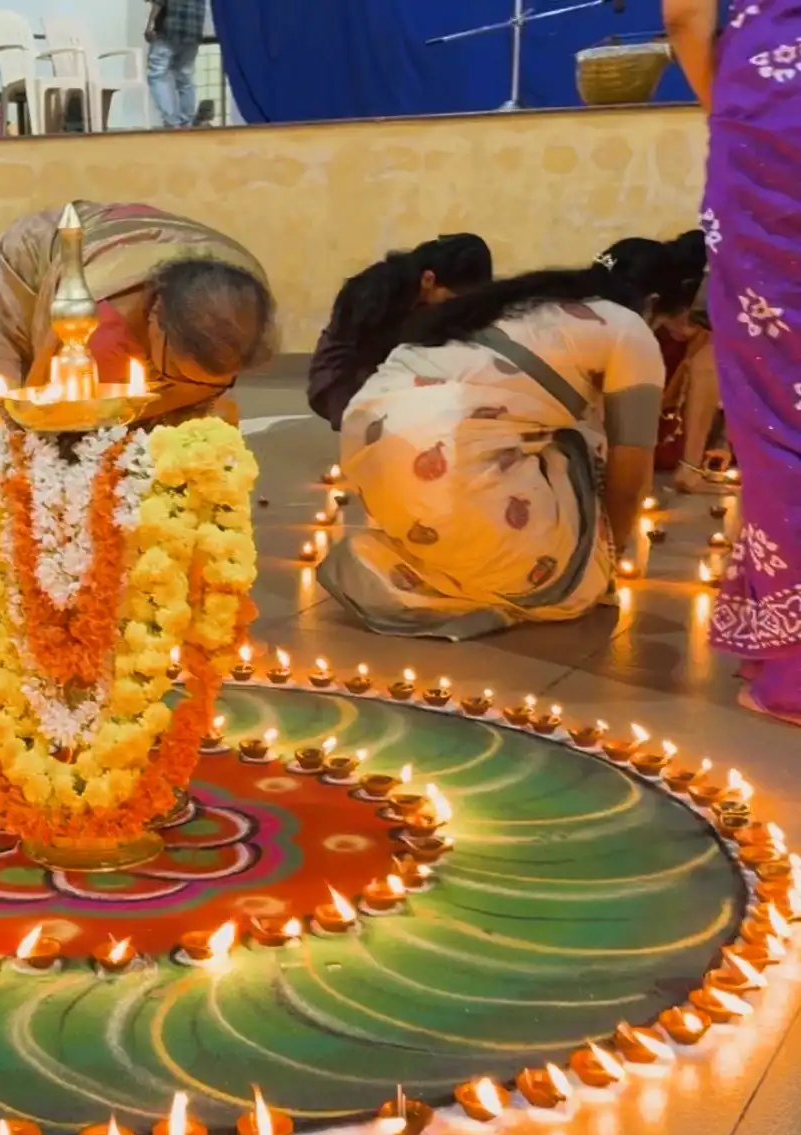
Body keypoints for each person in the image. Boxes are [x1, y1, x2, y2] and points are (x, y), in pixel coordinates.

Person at [317, 265, 666, 640]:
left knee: (534, 430)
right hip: (453, 467)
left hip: (372, 452)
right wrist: (606, 561)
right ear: (653, 305)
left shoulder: (508, 307)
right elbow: (631, 472)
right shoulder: (630, 329)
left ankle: (440, 549)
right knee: (583, 444)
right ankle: (513, 568)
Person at [666, 0, 801, 724]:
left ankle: (795, 670)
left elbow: (684, 14)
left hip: (773, 127)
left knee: (780, 405)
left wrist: (730, 106)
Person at [0, 200, 276, 424]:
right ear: (155, 316)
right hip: (32, 253)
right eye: (176, 374)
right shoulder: (100, 328)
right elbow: (62, 426)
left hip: (121, 239)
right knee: (0, 413)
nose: (189, 391)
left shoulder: (246, 295)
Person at [308, 234, 493, 430]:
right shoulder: (375, 294)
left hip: (388, 369)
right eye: (451, 298)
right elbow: (378, 366)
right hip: (342, 375)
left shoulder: (427, 301)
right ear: (428, 279)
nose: (456, 307)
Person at [599, 233, 729, 495]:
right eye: (692, 315)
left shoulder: (712, 341)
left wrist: (721, 445)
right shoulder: (635, 329)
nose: (691, 329)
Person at [146, 0, 207, 130]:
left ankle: (172, 122)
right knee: (185, 77)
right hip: (193, 29)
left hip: (169, 28)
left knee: (158, 74)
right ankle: (187, 123)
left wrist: (150, 24)